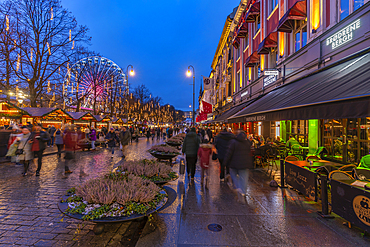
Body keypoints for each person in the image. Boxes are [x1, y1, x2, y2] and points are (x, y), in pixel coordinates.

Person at [224, 129, 253, 204]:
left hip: (234, 163)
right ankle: (243, 192)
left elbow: (229, 153)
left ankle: (238, 187)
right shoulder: (247, 143)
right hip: (245, 163)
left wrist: (225, 162)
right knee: (244, 178)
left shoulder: (233, 142)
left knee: (233, 175)